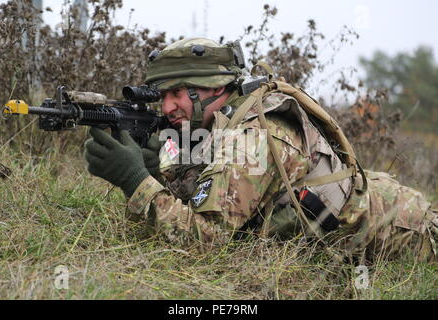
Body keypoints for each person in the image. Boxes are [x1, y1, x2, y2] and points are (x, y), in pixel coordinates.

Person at [83, 38, 437, 262]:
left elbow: (207, 242)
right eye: (162, 96)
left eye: (177, 93)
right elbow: (208, 188)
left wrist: (135, 179)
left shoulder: (251, 136)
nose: (168, 106)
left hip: (406, 232)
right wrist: (159, 166)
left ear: (212, 89)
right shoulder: (217, 122)